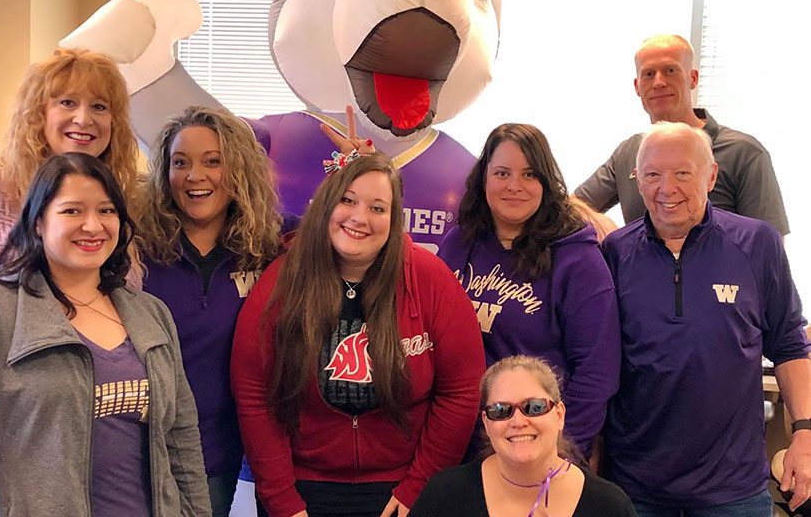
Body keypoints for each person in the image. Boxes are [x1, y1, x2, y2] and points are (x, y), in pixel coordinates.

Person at [0, 153, 211, 516]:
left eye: (106, 210)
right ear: (38, 222)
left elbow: (181, 434)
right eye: (72, 211)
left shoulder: (151, 313)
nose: (92, 225)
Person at [231, 152, 485, 517]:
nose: (359, 218)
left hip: (402, 487)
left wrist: (420, 486)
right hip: (302, 487)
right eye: (347, 200)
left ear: (394, 218)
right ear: (325, 205)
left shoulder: (430, 279)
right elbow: (255, 393)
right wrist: (280, 498)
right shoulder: (282, 281)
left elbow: (460, 391)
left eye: (378, 208)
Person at [602, 121, 811, 515]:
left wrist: (805, 433)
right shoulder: (613, 252)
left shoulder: (757, 243)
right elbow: (598, 359)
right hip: (634, 487)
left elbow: (789, 343)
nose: (667, 189)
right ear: (637, 180)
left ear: (711, 175)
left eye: (683, 173)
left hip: (734, 490)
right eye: (652, 175)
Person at [0, 48, 140, 371]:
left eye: (99, 106)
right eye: (67, 102)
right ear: (38, 113)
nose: (84, 118)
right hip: (10, 397)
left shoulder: (124, 198)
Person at [138, 105, 289, 516]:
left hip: (215, 461)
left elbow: (349, 234)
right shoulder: (136, 248)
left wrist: (358, 166)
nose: (194, 176)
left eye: (213, 162)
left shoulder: (270, 245)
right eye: (180, 163)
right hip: (136, 454)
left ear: (239, 170)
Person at [437, 123, 620, 457]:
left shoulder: (577, 259)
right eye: (502, 173)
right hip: (460, 443)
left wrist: (560, 453)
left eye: (530, 174)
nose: (514, 187)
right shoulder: (457, 244)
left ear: (546, 182)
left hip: (536, 446)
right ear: (484, 178)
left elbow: (597, 372)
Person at [574, 34, 789, 236]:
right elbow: (570, 207)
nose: (658, 82)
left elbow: (768, 247)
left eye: (670, 70)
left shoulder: (743, 152)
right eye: (649, 74)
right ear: (637, 86)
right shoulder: (628, 152)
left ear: (693, 78)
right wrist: (613, 236)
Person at [409, 355, 637, 517]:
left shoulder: (609, 505)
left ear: (559, 415)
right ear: (487, 423)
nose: (518, 422)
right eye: (501, 410)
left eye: (534, 407)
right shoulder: (445, 496)